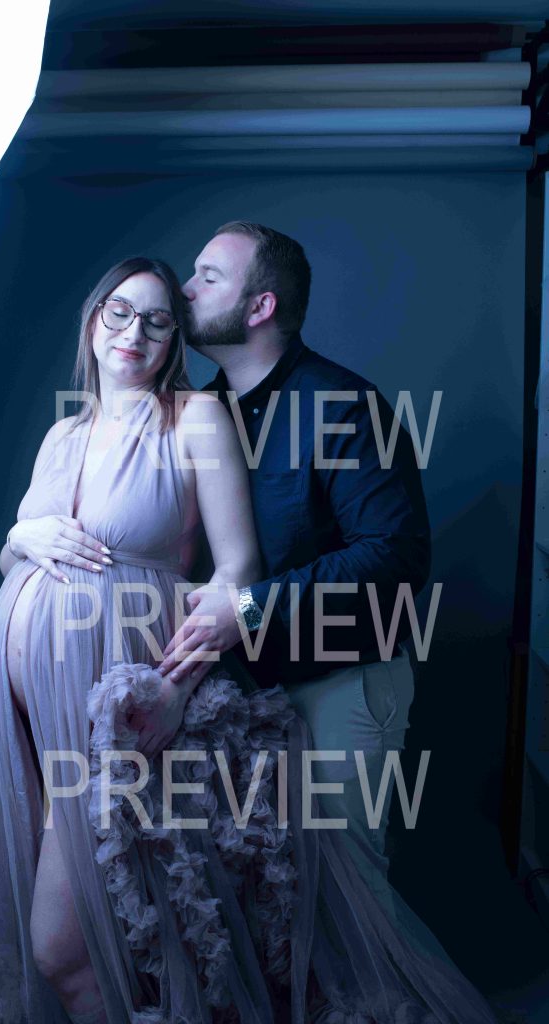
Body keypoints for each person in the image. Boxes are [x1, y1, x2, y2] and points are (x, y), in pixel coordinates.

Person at [0, 254, 503, 1024]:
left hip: (115, 716)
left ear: (173, 341)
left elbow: (238, 570)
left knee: (69, 945)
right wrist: (20, 536)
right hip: (24, 723)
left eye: (159, 319)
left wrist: (174, 686)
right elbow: (21, 558)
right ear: (93, 319)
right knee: (13, 938)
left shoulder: (197, 418)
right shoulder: (63, 432)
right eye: (119, 312)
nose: (134, 331)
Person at [156, 220, 431, 915]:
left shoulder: (346, 407)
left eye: (208, 276)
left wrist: (246, 610)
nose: (184, 290)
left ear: (260, 306)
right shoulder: (200, 414)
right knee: (260, 906)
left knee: (346, 904)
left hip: (340, 683)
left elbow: (393, 558)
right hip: (240, 694)